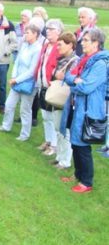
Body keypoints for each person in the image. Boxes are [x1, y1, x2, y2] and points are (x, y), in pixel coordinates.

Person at [60, 28, 109, 193]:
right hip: (77, 106)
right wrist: (76, 80)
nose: (82, 43)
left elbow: (86, 87)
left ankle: (86, 182)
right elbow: (68, 76)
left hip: (88, 110)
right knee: (75, 142)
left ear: (96, 43)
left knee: (83, 146)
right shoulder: (83, 59)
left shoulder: (100, 64)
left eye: (86, 40)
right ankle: (77, 174)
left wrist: (75, 84)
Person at [0, 24, 42, 139]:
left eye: (28, 33)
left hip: (29, 83)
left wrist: (16, 79)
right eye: (25, 33)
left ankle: (24, 134)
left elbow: (32, 70)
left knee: (25, 109)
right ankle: (6, 126)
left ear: (35, 34)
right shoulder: (24, 45)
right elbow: (17, 61)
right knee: (9, 105)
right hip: (17, 81)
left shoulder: (38, 49)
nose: (25, 35)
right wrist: (14, 76)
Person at [35, 19, 64, 156]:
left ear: (58, 31)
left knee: (52, 117)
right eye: (47, 28)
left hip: (52, 86)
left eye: (51, 29)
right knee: (45, 116)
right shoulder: (46, 45)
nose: (48, 31)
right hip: (42, 84)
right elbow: (41, 63)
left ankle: (54, 145)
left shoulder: (60, 47)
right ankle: (48, 140)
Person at [50, 32, 78, 169]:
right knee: (57, 129)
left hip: (66, 100)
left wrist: (60, 76)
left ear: (70, 45)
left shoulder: (75, 61)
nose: (58, 47)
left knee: (65, 131)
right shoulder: (61, 59)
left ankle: (65, 161)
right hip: (58, 100)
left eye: (60, 45)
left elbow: (69, 78)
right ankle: (59, 157)